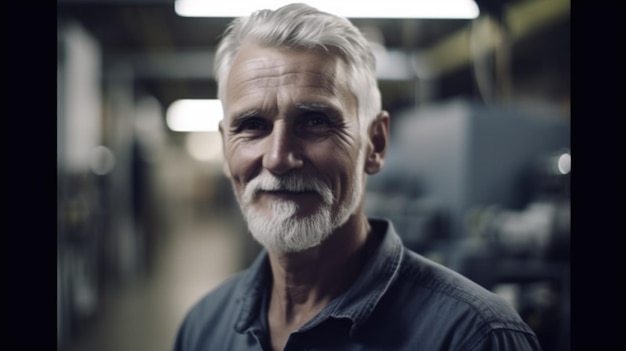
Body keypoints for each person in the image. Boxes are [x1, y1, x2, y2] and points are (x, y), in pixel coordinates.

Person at [173, 3, 542, 350]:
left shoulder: (472, 337)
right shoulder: (204, 327)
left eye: (315, 121)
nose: (279, 157)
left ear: (375, 143)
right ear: (225, 148)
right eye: (253, 125)